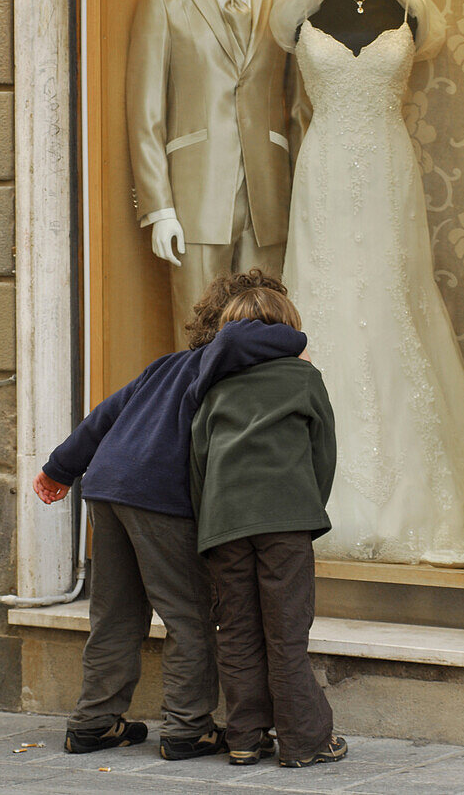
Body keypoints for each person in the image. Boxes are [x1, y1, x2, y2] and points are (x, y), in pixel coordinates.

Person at [33, 270, 307, 761]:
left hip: (106, 488)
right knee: (190, 617)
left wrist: (60, 468)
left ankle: (95, 723)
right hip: (160, 496)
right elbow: (243, 336)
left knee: (115, 614)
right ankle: (188, 728)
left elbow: (102, 418)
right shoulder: (221, 363)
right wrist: (292, 338)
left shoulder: (166, 367)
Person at [190, 284, 348, 769]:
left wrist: (210, 519)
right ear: (289, 326)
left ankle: (243, 739)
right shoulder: (303, 378)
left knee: (235, 630)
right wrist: (305, 507)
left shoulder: (215, 384)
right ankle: (305, 742)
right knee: (286, 632)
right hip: (286, 520)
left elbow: (199, 459)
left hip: (225, 523)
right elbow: (324, 453)